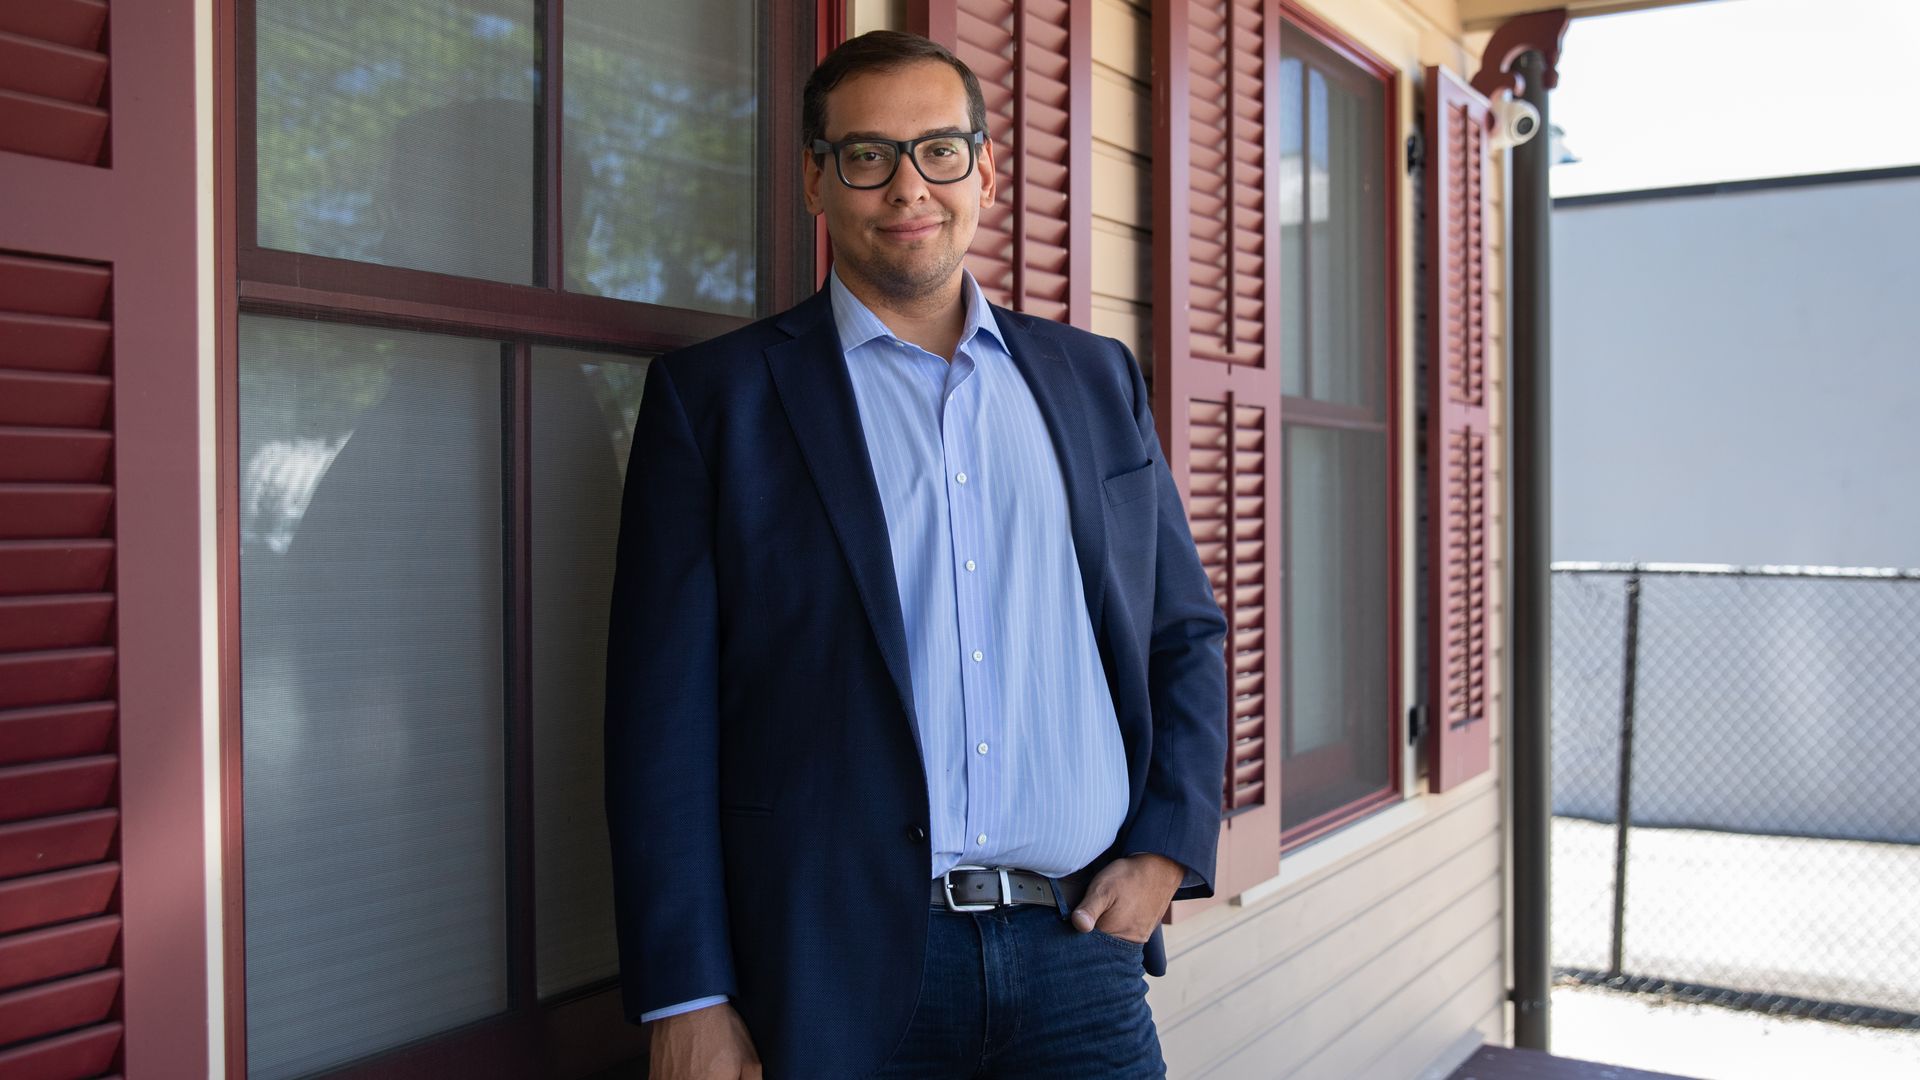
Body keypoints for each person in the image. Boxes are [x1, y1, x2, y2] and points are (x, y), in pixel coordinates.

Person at [604, 30, 1228, 1079]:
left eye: (939, 149)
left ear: (985, 169)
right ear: (816, 179)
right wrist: (687, 992)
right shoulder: (717, 404)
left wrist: (1171, 844)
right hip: (833, 974)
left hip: (1079, 957)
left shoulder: (1094, 380)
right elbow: (659, 718)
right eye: (867, 155)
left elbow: (1182, 633)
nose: (909, 186)